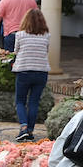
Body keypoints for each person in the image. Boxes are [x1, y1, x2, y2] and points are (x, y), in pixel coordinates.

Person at [12, 8, 51, 142]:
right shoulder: (46, 35)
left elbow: (16, 51)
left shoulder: (20, 35)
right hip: (41, 72)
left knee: (20, 101)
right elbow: (46, 51)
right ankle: (30, 131)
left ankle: (23, 127)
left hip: (24, 71)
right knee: (34, 102)